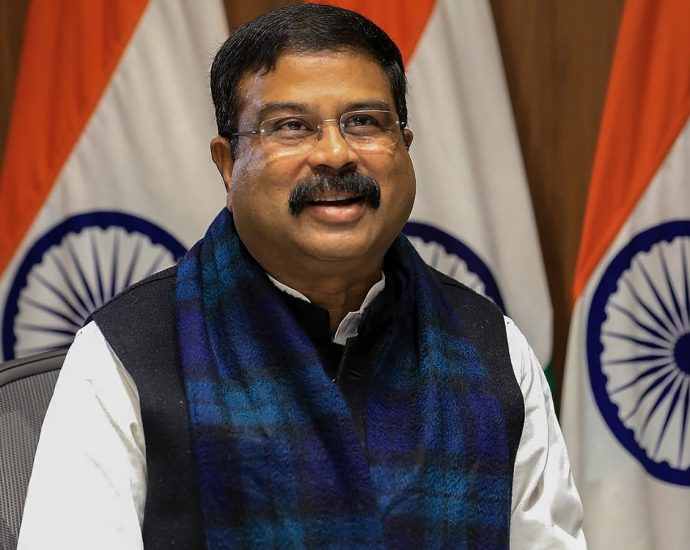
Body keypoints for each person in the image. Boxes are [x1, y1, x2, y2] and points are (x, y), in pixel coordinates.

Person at [17, 4, 586, 549]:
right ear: (226, 164)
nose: (335, 153)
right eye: (291, 126)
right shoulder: (128, 351)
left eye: (364, 123)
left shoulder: (490, 348)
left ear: (405, 148)